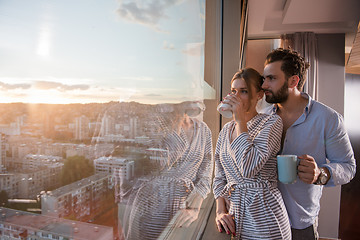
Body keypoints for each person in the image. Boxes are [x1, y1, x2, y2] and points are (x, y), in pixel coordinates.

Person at [261, 48, 357, 239]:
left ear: (293, 81)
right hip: (263, 219)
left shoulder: (328, 119)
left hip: (299, 221)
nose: (264, 85)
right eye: (264, 79)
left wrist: (320, 174)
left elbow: (348, 167)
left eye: (271, 78)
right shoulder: (262, 118)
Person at [213, 68, 291, 240]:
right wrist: (220, 211)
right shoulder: (226, 130)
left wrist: (240, 119)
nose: (236, 97)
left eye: (244, 91)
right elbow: (219, 175)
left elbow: (248, 167)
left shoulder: (271, 123)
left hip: (264, 216)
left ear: (259, 95)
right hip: (236, 215)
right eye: (233, 91)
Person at [123, 101, 213, 240]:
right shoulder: (157, 125)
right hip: (152, 205)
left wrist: (195, 208)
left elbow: (206, 175)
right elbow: (158, 166)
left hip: (184, 207)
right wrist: (175, 126)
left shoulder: (203, 129)